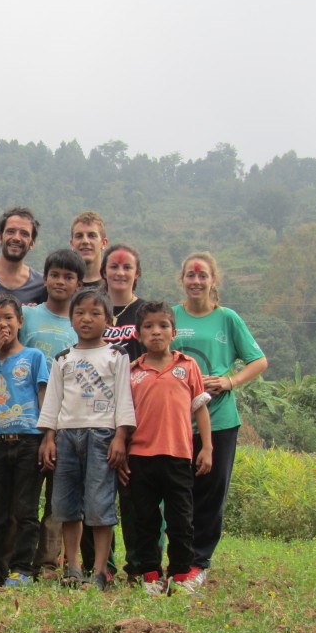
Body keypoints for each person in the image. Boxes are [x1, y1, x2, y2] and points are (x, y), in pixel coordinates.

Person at [171, 252, 268, 587]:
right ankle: (176, 560)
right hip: (176, 422)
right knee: (176, 492)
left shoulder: (227, 319)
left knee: (211, 493)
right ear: (181, 279)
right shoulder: (171, 316)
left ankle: (199, 564)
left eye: (203, 275)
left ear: (214, 280)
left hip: (221, 420)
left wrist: (230, 381)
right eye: (190, 275)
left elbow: (258, 361)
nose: (196, 281)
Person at [37, 289, 136, 591]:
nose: (87, 318)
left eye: (95, 313)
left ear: (108, 319)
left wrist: (120, 436)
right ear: (71, 319)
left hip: (102, 435)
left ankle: (100, 570)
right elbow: (52, 401)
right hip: (66, 436)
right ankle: (73, 568)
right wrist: (48, 438)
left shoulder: (117, 356)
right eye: (80, 313)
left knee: (99, 503)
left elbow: (124, 398)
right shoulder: (63, 358)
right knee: (65, 506)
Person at [127, 301, 213, 596]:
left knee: (180, 520)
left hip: (178, 456)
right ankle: (151, 575)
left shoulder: (188, 366)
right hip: (140, 458)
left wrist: (208, 448)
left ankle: (180, 574)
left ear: (173, 332)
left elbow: (200, 408)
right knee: (146, 520)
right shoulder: (132, 371)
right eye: (148, 327)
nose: (156, 332)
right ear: (139, 335)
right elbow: (124, 417)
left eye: (163, 326)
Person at [0, 294, 50, 588]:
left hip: (28, 440)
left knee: (26, 510)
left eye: (7, 318)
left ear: (20, 321)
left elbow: (43, 399)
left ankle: (22, 568)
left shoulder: (34, 357)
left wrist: (47, 438)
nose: (2, 324)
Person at [17, 249, 85, 579]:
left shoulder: (80, 325)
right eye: (55, 275)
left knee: (58, 499)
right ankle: (18, 560)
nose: (60, 281)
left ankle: (46, 563)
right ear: (45, 279)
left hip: (68, 423)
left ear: (79, 283)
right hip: (26, 420)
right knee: (25, 497)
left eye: (68, 277)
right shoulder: (27, 316)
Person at [99, 243, 146, 580]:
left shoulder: (144, 313)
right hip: (96, 414)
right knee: (98, 494)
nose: (119, 272)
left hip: (137, 415)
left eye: (126, 267)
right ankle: (102, 566)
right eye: (113, 267)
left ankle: (141, 566)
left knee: (135, 495)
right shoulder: (92, 308)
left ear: (136, 274)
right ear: (103, 272)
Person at [0, 207, 47, 306]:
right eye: (11, 231)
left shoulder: (41, 285)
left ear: (32, 243)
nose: (16, 238)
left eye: (24, 234)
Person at [69, 211, 109, 289]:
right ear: (72, 244)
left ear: (104, 243)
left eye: (92, 236)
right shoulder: (63, 288)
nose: (85, 241)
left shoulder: (113, 287)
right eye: (79, 236)